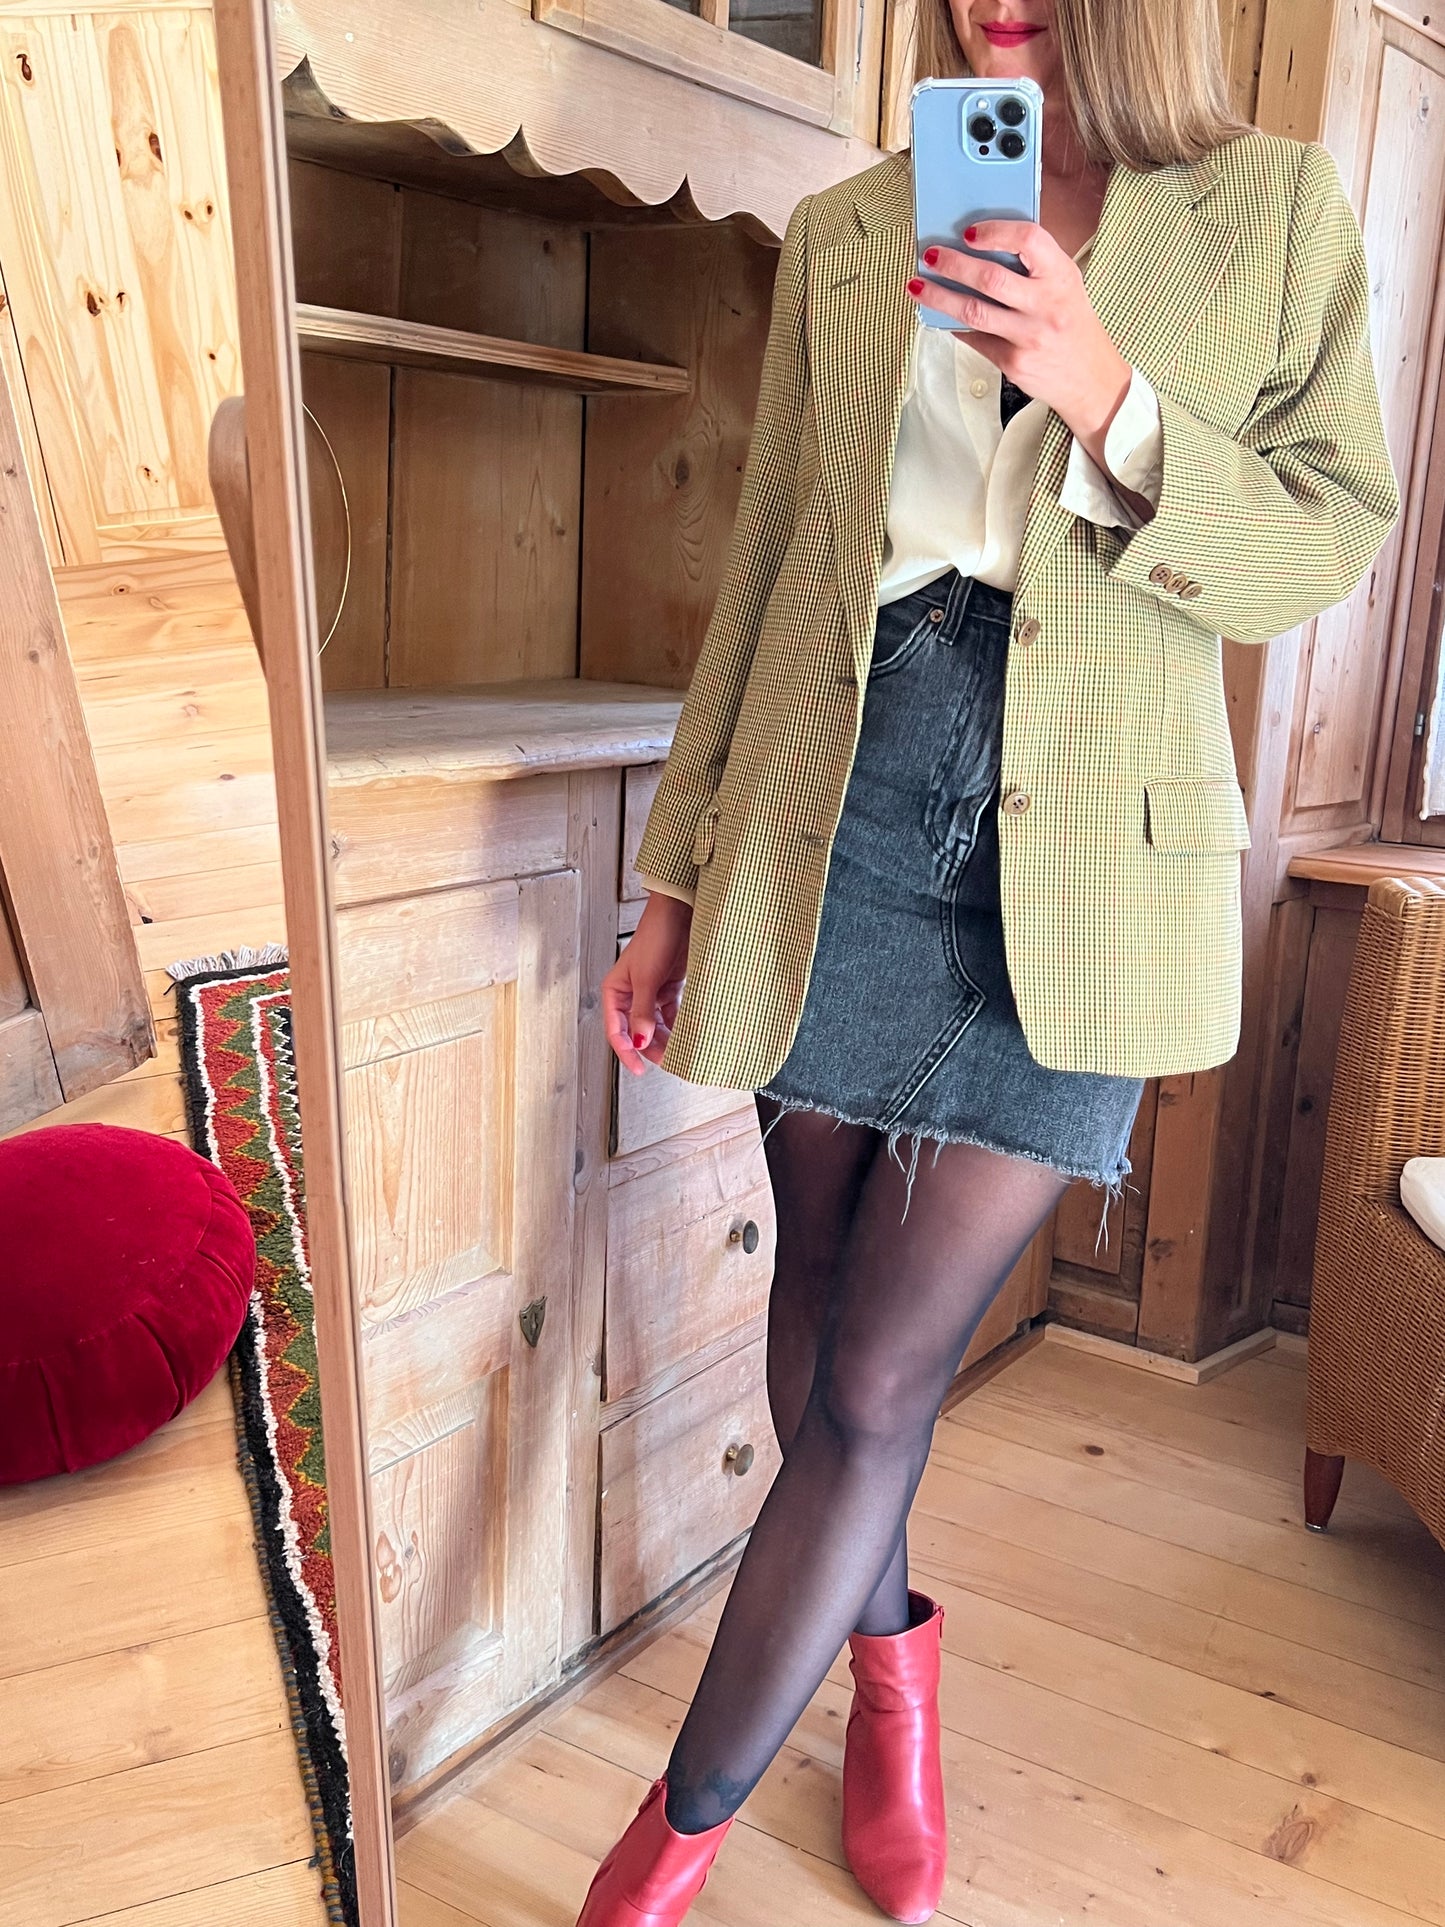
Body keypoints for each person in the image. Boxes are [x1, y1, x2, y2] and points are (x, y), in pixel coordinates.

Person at [581, 2, 1399, 1922]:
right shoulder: (853, 228)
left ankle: (662, 1852)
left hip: (1087, 848)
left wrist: (1109, 394)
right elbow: (770, 567)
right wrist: (675, 875)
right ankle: (888, 1672)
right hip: (835, 802)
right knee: (817, 1312)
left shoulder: (1270, 207)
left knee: (879, 1373)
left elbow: (1325, 540)